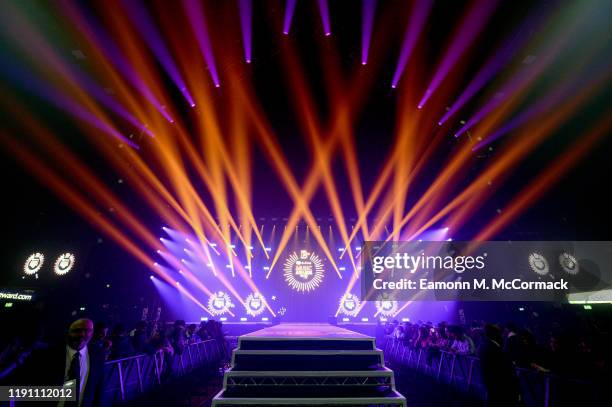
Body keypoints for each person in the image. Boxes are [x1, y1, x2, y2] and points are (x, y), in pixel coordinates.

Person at [24, 318, 105, 407]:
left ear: (92, 333)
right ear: (68, 331)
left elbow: (98, 389)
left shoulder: (97, 355)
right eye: (77, 330)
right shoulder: (48, 355)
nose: (81, 334)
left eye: (87, 330)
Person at [479, 324, 520, 407]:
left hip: (490, 382)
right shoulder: (494, 348)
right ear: (495, 335)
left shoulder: (482, 346)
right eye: (500, 334)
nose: (502, 336)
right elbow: (503, 366)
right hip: (500, 384)